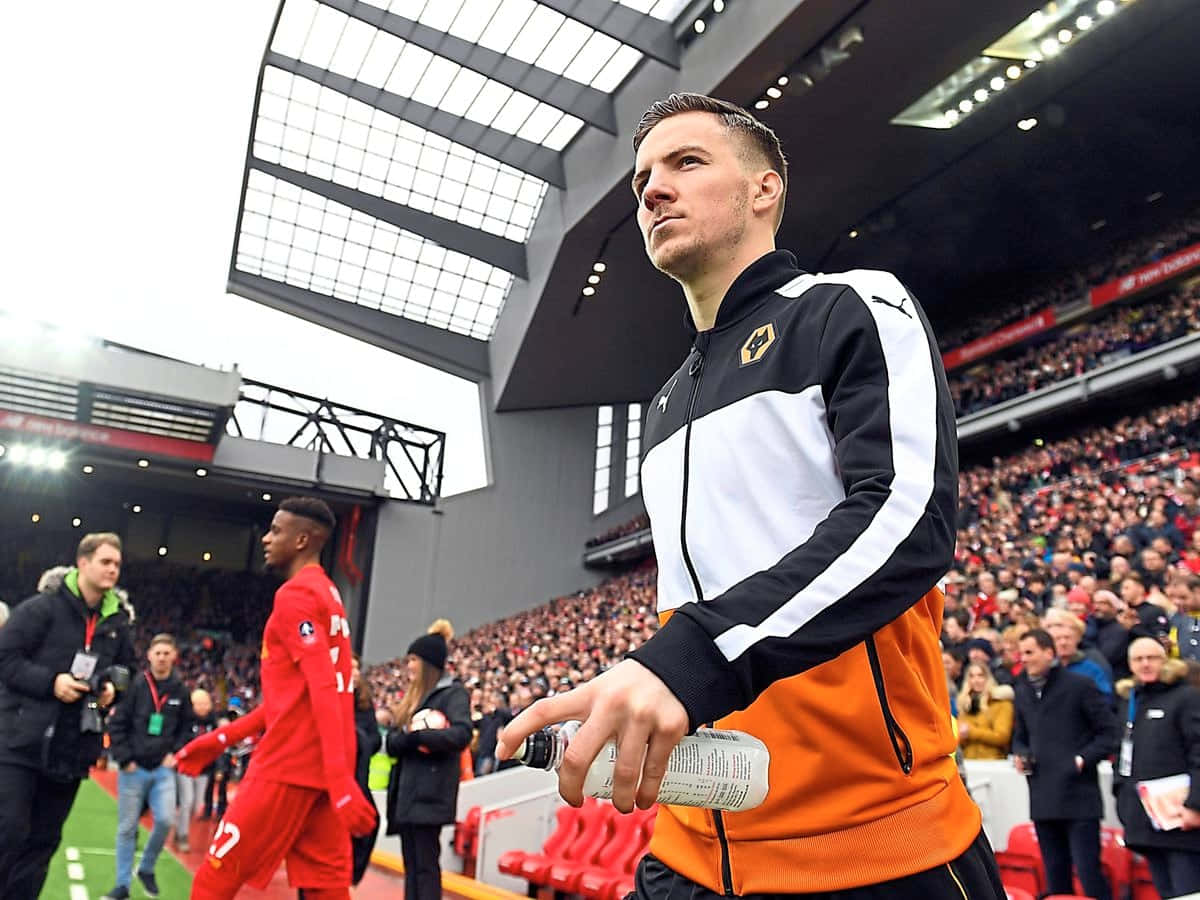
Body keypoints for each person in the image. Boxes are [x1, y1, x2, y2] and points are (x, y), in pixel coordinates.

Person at [499, 92, 1003, 898]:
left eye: (686, 162)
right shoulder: (664, 406)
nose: (653, 190)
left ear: (764, 187)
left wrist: (694, 661)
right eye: (642, 180)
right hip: (689, 850)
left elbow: (907, 517)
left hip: (871, 848)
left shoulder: (850, 306)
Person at [175, 497, 376, 900]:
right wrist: (219, 739)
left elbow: (322, 684)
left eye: (276, 531)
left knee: (212, 881)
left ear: (302, 540)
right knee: (326, 890)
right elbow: (292, 701)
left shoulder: (295, 596)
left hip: (288, 767)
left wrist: (341, 781)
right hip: (321, 772)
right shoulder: (329, 593)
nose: (266, 539)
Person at [0, 533, 136, 900]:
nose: (113, 569)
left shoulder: (118, 623)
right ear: (83, 563)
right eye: (105, 562)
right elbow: (5, 658)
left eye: (117, 564)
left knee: (43, 841)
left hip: (71, 749)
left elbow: (128, 671)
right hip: (20, 741)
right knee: (9, 830)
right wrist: (51, 683)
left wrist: (113, 689)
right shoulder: (41, 608)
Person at [1011, 628, 1118, 899]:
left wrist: (1081, 760)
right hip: (1042, 796)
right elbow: (1020, 736)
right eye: (1021, 653)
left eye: (1030, 652)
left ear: (1049, 652)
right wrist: (1021, 755)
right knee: (1055, 877)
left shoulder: (1080, 685)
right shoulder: (1022, 691)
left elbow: (1109, 733)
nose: (1024, 659)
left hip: (1079, 797)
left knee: (1088, 874)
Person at [102, 633, 194, 900]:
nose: (162, 658)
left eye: (167, 653)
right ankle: (122, 885)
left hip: (163, 768)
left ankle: (146, 867)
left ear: (174, 656)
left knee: (165, 820)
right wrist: (124, 759)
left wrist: (175, 753)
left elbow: (187, 727)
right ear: (149, 656)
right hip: (133, 768)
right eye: (158, 653)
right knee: (127, 828)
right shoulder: (136, 686)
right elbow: (117, 723)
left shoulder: (181, 690)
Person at [385, 620, 472, 900]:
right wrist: (403, 740)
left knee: (425, 866)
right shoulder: (412, 699)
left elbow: (461, 734)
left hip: (429, 794)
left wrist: (420, 737)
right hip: (406, 795)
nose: (408, 665)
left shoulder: (453, 694)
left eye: (413, 660)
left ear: (428, 664)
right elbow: (394, 741)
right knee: (412, 866)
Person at [1114, 636, 1200, 898]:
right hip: (1145, 821)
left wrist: (1195, 805)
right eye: (1138, 659)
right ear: (1130, 665)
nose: (1145, 664)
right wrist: (1123, 800)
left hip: (1181, 822)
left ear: (1164, 660)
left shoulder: (1186, 697)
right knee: (1164, 891)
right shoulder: (1130, 701)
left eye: (1151, 658)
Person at [350, 654, 381, 887]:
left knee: (372, 822)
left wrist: (360, 741)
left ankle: (352, 876)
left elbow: (375, 739)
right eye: (349, 667)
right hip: (331, 780)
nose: (355, 673)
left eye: (357, 668)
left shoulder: (364, 703)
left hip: (358, 779)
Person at [177, 687, 215, 844]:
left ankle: (180, 828)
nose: (202, 707)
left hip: (204, 769)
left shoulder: (214, 723)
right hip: (186, 768)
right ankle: (182, 835)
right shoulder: (185, 721)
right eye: (198, 704)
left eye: (205, 703)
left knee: (196, 805)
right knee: (187, 801)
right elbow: (179, 741)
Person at [957, 662, 1015, 760]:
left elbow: (1002, 737)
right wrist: (960, 736)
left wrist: (971, 732)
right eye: (972, 676)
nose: (976, 680)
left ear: (988, 678)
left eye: (980, 675)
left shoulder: (1001, 704)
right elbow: (959, 740)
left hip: (993, 762)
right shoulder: (965, 704)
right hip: (968, 760)